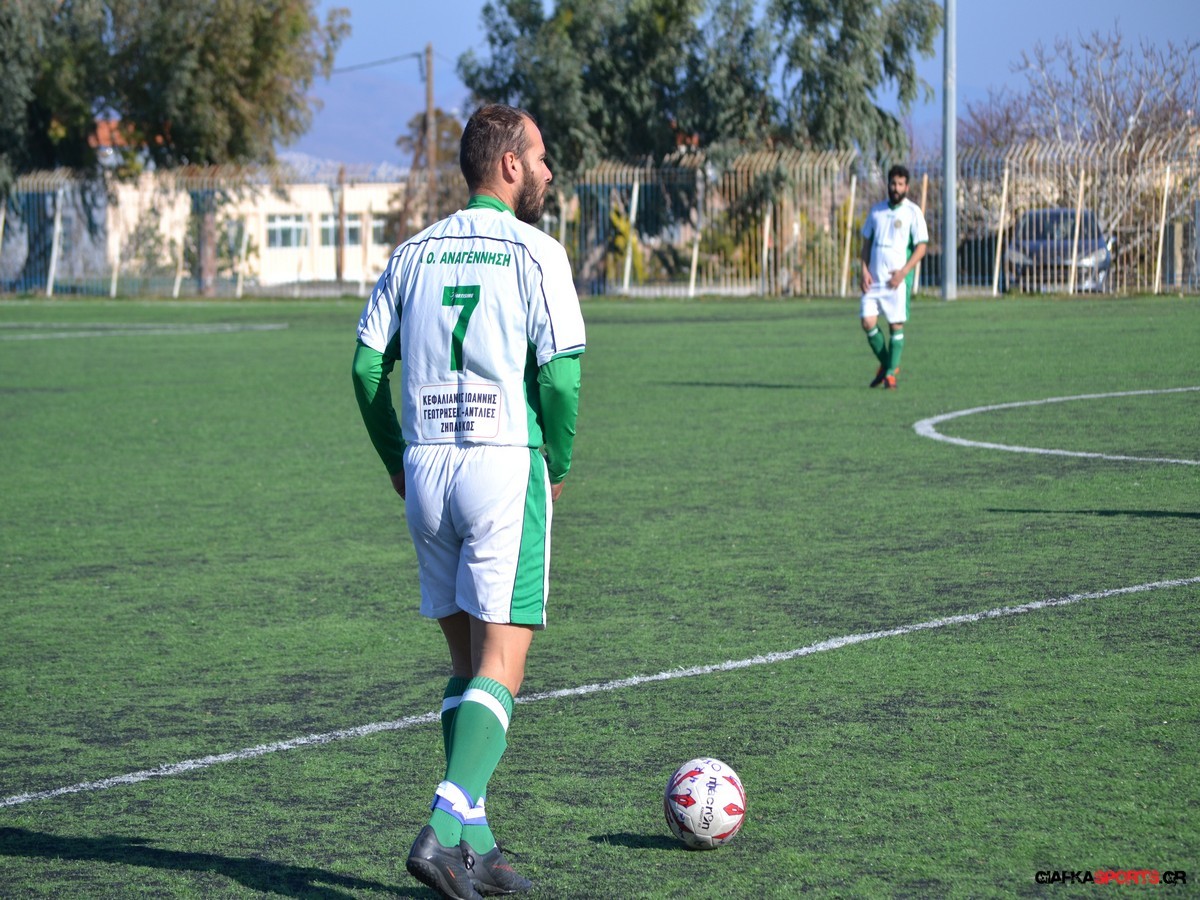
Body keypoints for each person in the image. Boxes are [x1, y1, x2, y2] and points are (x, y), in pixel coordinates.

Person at [351, 104, 585, 900]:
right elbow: (560, 378)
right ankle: (444, 823)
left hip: (427, 471)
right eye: (541, 157)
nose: (547, 171)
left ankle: (476, 849)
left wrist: (395, 458)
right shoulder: (537, 252)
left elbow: (364, 368)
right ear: (510, 165)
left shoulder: (412, 252)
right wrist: (558, 462)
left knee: (465, 667)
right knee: (503, 668)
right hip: (502, 464)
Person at [859, 164, 928, 389]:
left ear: (906, 187)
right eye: (893, 183)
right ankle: (888, 363)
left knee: (895, 325)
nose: (896, 188)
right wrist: (864, 270)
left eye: (900, 184)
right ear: (887, 184)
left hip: (896, 280)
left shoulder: (912, 212)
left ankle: (889, 375)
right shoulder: (876, 211)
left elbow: (921, 247)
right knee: (867, 321)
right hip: (874, 280)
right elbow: (866, 244)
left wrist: (903, 273)